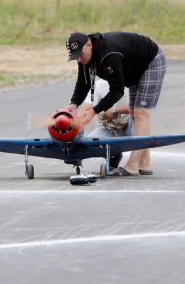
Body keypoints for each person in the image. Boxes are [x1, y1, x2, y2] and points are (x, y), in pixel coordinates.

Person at [67, 31, 166, 176]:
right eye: (75, 57)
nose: (79, 60)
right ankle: (145, 164)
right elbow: (84, 82)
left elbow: (117, 91)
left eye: (80, 54)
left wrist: (94, 111)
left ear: (89, 45)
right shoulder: (84, 57)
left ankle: (132, 165)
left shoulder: (108, 55)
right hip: (133, 69)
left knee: (141, 113)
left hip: (150, 62)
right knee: (135, 112)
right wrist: (73, 104)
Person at [82, 78, 133, 169]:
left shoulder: (131, 80)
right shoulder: (98, 85)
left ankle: (136, 163)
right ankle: (113, 155)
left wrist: (116, 110)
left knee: (139, 121)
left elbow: (139, 108)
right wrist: (75, 121)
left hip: (128, 125)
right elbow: (87, 107)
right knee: (90, 142)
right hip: (107, 127)